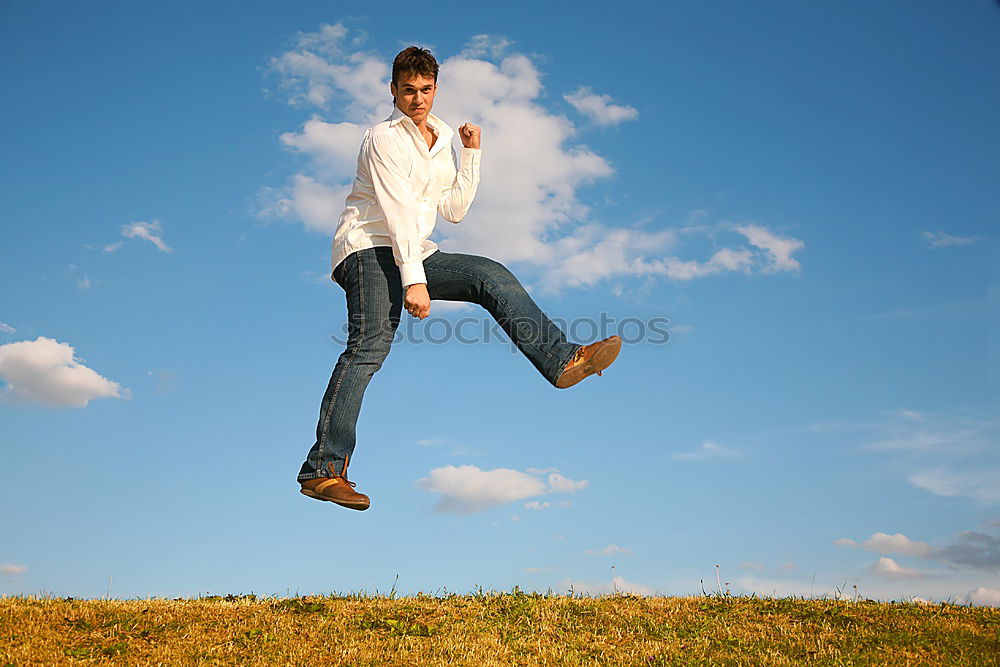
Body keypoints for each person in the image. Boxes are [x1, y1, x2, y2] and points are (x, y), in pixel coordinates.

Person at [297, 46, 621, 511]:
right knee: (368, 347)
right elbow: (398, 212)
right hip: (368, 247)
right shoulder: (383, 139)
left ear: (435, 88)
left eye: (426, 90)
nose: (417, 99)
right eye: (408, 91)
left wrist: (471, 154)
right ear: (393, 90)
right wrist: (414, 280)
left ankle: (562, 360)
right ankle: (324, 469)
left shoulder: (441, 138)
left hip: (412, 250)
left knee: (488, 274)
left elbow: (453, 209)